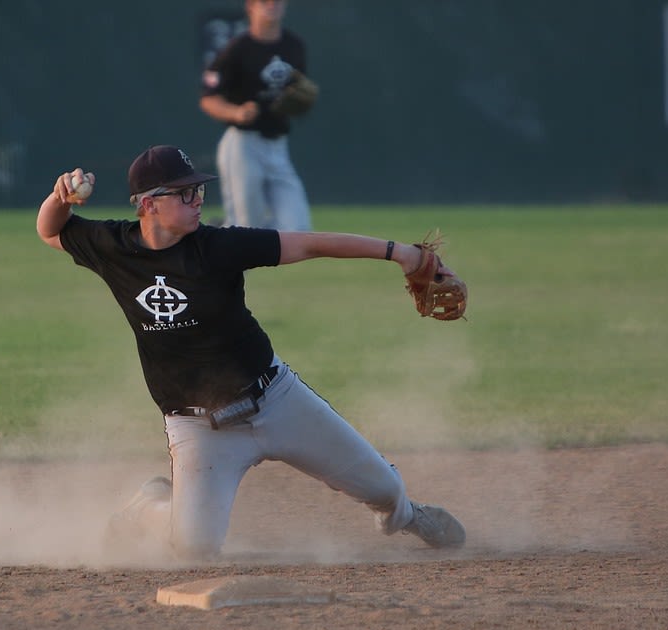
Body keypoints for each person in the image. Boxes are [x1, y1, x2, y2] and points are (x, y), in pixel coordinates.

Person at [35, 145, 465, 560]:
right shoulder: (113, 247)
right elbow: (50, 230)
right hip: (200, 430)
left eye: (199, 190)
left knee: (387, 492)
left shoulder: (219, 247)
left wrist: (401, 254)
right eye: (185, 193)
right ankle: (151, 506)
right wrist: (60, 198)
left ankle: (410, 516)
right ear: (148, 205)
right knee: (192, 548)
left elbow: (312, 244)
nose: (198, 200)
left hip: (275, 399)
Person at [200, 0, 313, 231]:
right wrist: (236, 112)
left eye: (277, 1)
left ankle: (220, 231)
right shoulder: (237, 49)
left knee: (297, 226)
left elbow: (298, 92)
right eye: (264, 1)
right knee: (246, 227)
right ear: (250, 6)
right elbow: (208, 99)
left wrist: (299, 102)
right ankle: (224, 234)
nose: (272, 5)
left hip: (278, 145)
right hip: (243, 145)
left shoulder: (294, 46)